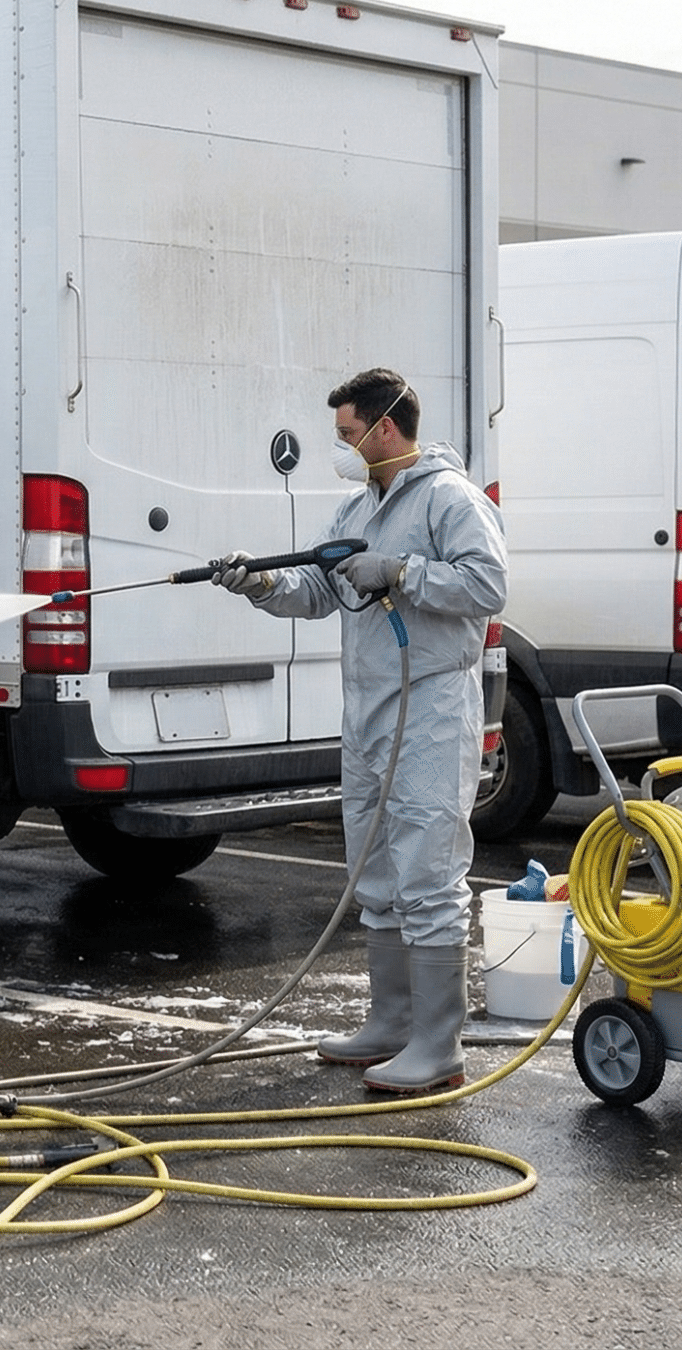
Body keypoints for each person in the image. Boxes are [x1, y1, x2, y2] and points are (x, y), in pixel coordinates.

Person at [210, 368, 507, 1092]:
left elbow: (488, 584)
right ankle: (391, 1022)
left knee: (428, 875)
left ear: (385, 427)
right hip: (368, 714)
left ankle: (437, 1043)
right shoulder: (355, 508)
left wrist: (402, 572)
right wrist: (260, 584)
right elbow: (318, 588)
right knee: (375, 872)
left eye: (348, 433)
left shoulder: (449, 498)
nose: (342, 446)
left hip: (431, 710)